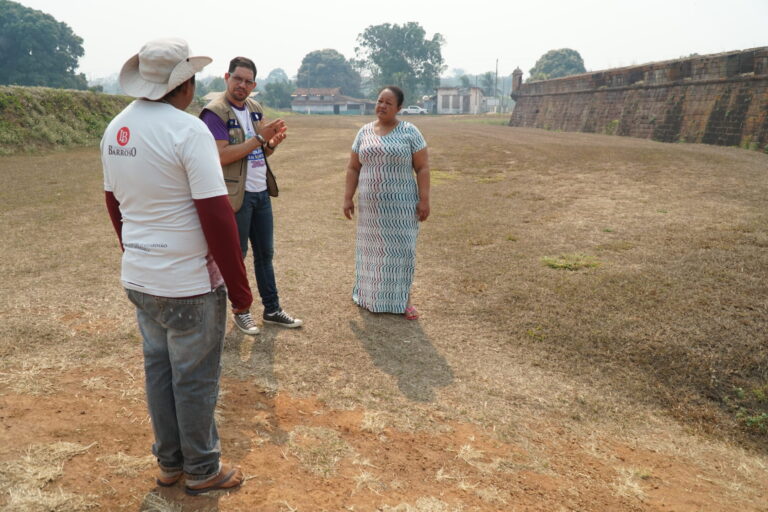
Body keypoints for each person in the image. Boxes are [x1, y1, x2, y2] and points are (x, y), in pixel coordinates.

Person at [102, 38, 247, 495]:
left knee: (159, 371)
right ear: (184, 85)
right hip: (187, 282)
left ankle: (169, 464)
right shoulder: (187, 131)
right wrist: (242, 291)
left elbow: (114, 205)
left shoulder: (115, 129)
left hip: (141, 276)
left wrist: (135, 252)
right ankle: (203, 469)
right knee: (195, 378)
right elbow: (217, 214)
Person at [200, 56, 302, 335]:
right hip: (235, 195)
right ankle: (240, 311)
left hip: (260, 192)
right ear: (226, 78)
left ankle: (272, 308)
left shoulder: (254, 108)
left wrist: (270, 145)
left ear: (254, 85)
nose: (241, 85)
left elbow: (258, 152)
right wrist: (258, 139)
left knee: (265, 254)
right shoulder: (215, 112)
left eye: (247, 81)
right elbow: (220, 156)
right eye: (237, 79)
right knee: (237, 255)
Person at [343, 85, 431, 319]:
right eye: (379, 101)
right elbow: (353, 167)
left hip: (401, 207)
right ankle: (368, 296)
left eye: (388, 103)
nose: (381, 106)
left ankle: (404, 301)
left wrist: (424, 200)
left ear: (399, 108)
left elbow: (422, 168)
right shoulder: (364, 132)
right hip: (370, 209)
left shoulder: (410, 132)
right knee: (371, 253)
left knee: (401, 252)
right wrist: (347, 198)